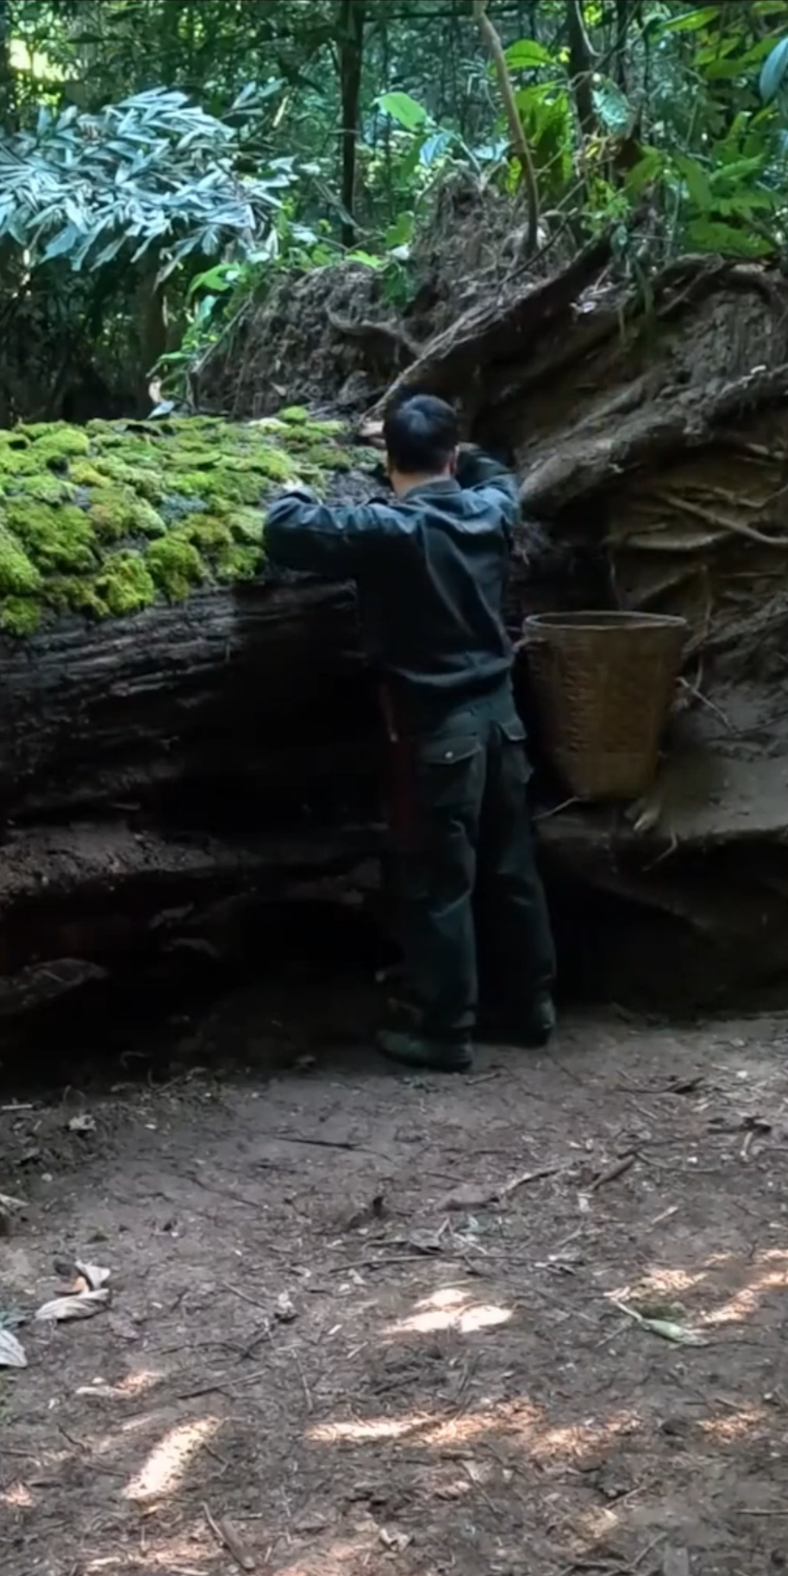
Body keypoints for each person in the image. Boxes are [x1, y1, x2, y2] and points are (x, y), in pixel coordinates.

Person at [262, 392, 556, 1073]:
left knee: (437, 880)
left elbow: (287, 529)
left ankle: (444, 1026)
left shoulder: (391, 531)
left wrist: (293, 486)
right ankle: (529, 1005)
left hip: (439, 730)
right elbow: (498, 474)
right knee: (511, 867)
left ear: (388, 460)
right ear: (450, 458)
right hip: (502, 721)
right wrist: (456, 446)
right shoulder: (491, 509)